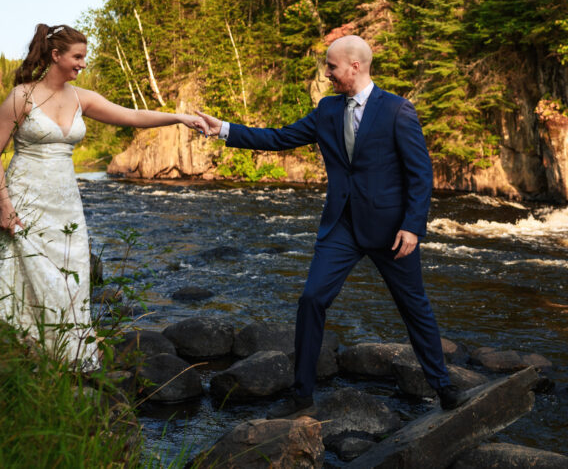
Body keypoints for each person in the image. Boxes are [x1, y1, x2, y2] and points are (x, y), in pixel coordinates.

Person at [196, 34, 468, 416]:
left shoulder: (397, 110)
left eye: (332, 66)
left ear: (354, 66)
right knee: (312, 299)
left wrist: (413, 226)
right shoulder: (326, 110)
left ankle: (444, 387)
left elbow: (421, 173)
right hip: (341, 226)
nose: (327, 74)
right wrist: (223, 128)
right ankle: (302, 394)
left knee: (414, 307)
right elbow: (279, 137)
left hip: (392, 230)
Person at [0, 24, 207, 371]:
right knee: (28, 273)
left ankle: (68, 353)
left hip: (66, 200)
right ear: (55, 56)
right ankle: (29, 353)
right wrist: (5, 205)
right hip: (26, 196)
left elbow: (132, 116)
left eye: (84, 57)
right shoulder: (21, 97)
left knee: (71, 274)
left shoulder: (80, 97)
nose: (83, 63)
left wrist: (178, 117)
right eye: (78, 56)